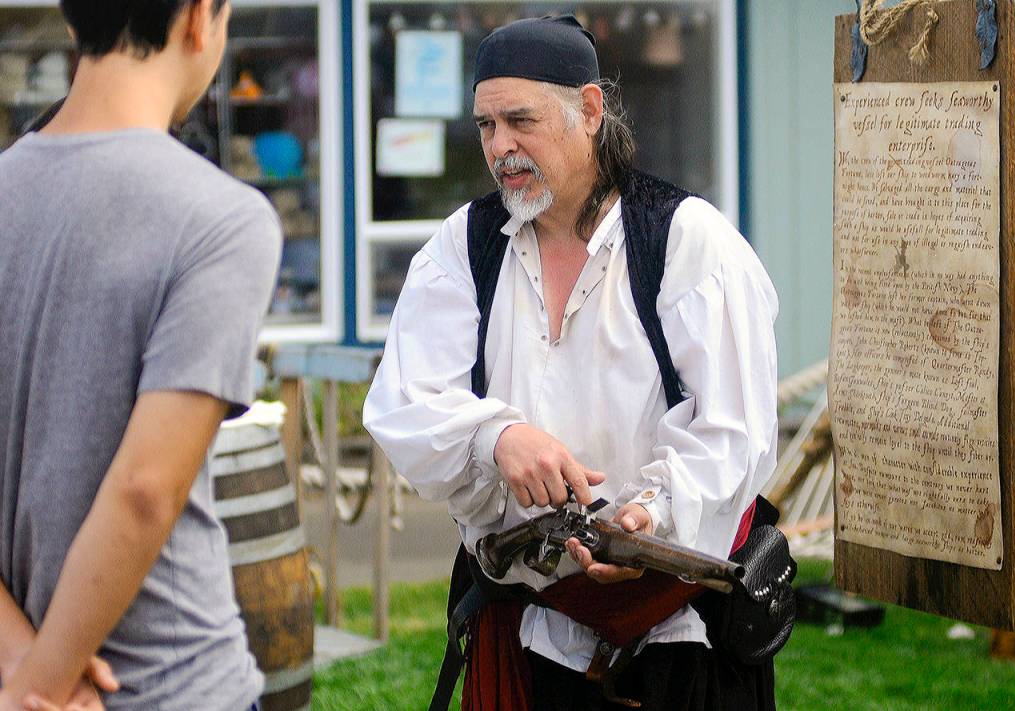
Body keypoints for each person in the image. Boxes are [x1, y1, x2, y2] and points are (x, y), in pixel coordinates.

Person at [364, 14, 780, 711]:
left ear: (590, 110)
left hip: (677, 639)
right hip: (529, 628)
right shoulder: (465, 248)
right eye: (486, 126)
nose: (501, 148)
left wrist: (650, 515)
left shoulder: (685, 243)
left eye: (519, 121)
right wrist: (495, 436)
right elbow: (402, 400)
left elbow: (736, 430)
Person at [0, 1, 282, 709]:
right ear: (199, 19)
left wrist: (21, 667)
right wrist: (45, 684)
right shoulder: (222, 218)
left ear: (74, 23)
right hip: (170, 681)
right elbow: (144, 487)